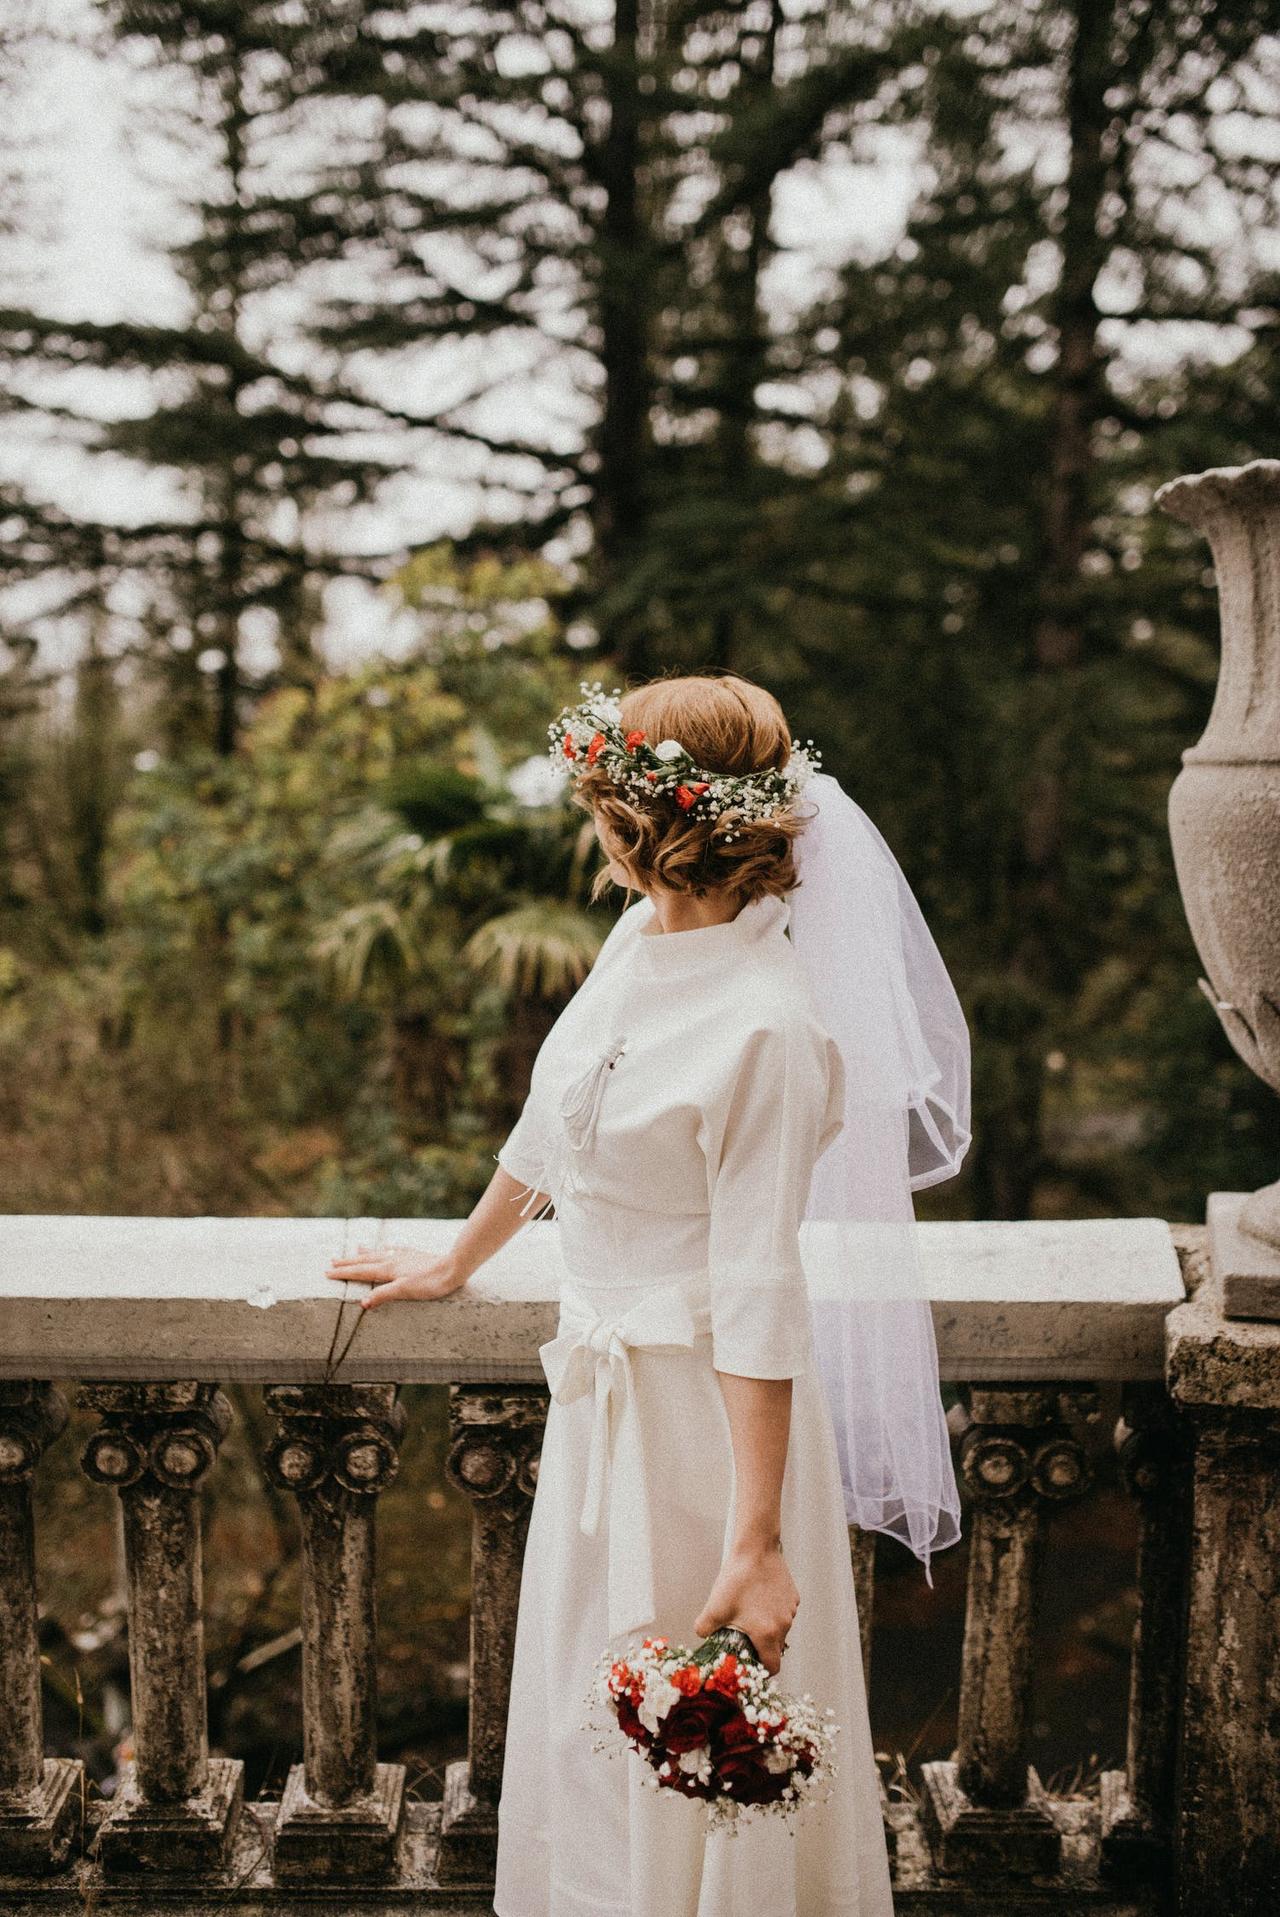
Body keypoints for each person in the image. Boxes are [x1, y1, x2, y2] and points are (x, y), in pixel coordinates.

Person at [328, 673, 900, 1916]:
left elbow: (757, 1288)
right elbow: (554, 1120)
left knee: (690, 1747)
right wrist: (458, 1259)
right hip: (601, 1402)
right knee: (592, 1731)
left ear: (630, 818)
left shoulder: (771, 1028)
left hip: (702, 1431)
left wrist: (754, 1541)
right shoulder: (640, 941)